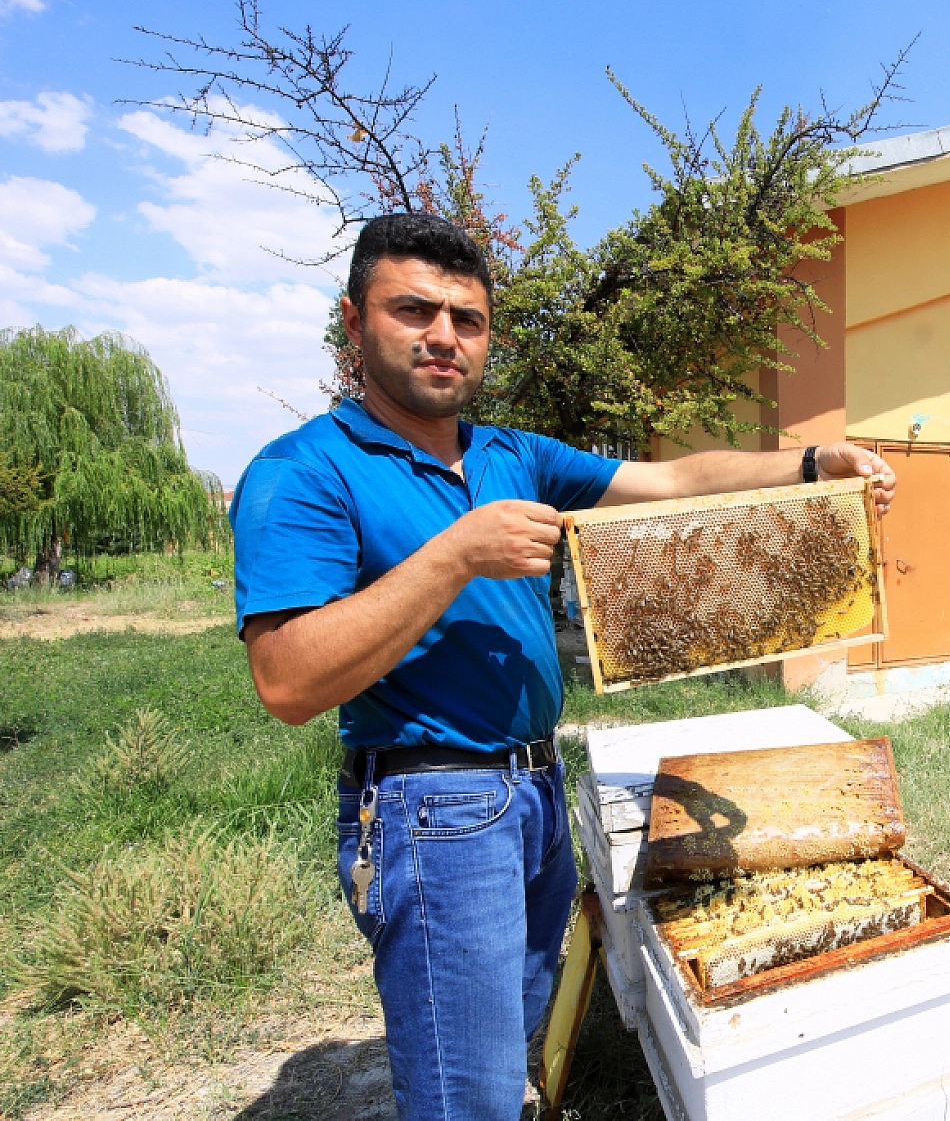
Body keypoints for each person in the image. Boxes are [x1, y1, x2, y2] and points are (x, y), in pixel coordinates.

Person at [229, 213, 895, 1120]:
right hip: (435, 811)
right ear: (354, 323)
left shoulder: (514, 454)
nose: (443, 337)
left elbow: (672, 483)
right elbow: (286, 681)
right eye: (414, 310)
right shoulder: (305, 471)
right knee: (467, 1096)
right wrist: (456, 554)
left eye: (467, 319)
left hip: (537, 790)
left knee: (518, 1049)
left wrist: (816, 461)